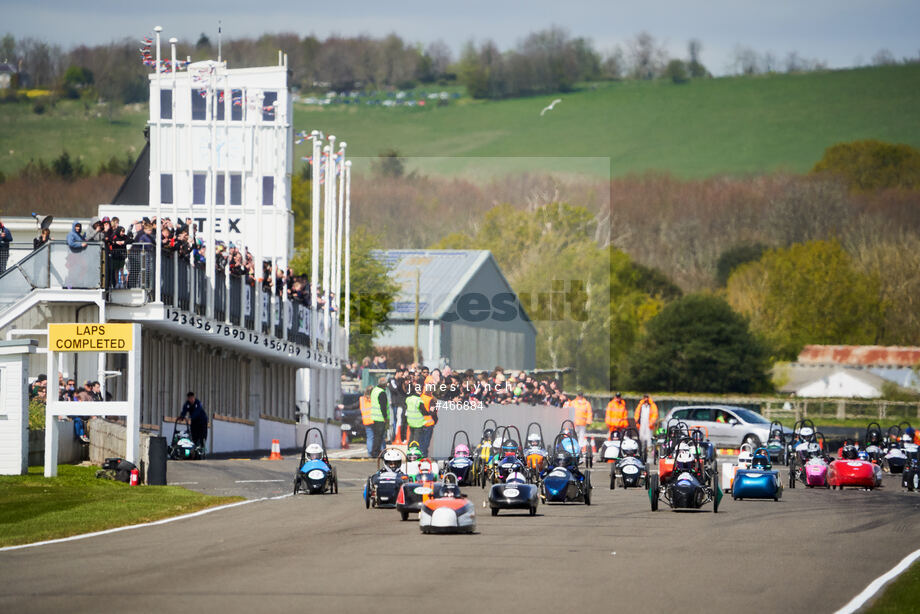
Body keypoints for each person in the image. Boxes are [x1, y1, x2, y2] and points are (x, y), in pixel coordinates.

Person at [368, 377, 389, 458]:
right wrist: (385, 417)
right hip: (380, 417)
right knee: (379, 437)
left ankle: (375, 451)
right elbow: (383, 406)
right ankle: (376, 452)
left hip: (375, 416)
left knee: (376, 436)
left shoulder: (375, 390)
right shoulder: (382, 393)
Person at [359, 386, 375, 457]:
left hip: (366, 421)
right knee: (376, 437)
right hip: (374, 420)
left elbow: (354, 406)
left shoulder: (361, 399)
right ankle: (376, 452)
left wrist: (344, 407)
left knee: (369, 437)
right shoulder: (374, 399)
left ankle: (369, 453)